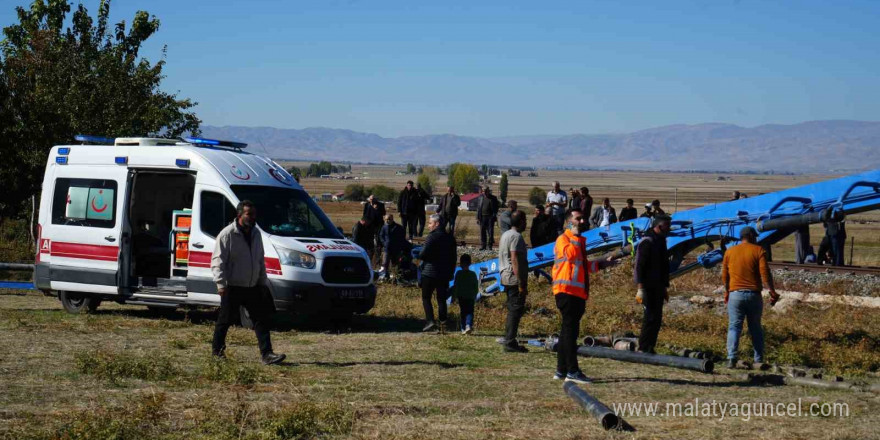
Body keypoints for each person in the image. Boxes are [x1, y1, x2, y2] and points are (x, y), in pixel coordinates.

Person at [211, 200, 285, 365]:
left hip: (252, 286)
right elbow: (218, 261)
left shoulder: (256, 233)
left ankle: (267, 354)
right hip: (232, 286)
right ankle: (217, 352)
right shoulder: (227, 234)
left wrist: (262, 281)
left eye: (254, 214)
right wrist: (221, 284)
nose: (252, 217)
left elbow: (259, 259)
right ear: (239, 215)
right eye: (249, 214)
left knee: (261, 320)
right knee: (225, 320)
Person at [552, 208, 619, 383]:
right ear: (569, 222)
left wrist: (603, 264)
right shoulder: (564, 239)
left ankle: (561, 370)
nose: (582, 222)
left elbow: (583, 265)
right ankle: (572, 371)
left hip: (576, 293)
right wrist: (574, 236)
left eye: (582, 219)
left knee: (567, 332)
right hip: (567, 292)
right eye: (578, 219)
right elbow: (570, 255)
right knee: (570, 333)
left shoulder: (578, 241)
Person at [722, 227, 779, 369]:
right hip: (754, 295)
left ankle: (731, 359)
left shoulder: (729, 251)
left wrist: (727, 291)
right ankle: (758, 360)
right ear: (752, 236)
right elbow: (765, 274)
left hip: (735, 294)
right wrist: (772, 291)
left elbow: (725, 276)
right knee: (755, 328)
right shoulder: (758, 250)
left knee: (734, 327)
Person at [633, 214, 672, 355]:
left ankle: (650, 347)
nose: (669, 229)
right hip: (648, 287)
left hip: (658, 287)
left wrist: (664, 288)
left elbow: (663, 267)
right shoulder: (647, 242)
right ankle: (643, 347)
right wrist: (640, 288)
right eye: (667, 226)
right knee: (649, 317)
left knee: (657, 318)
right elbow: (639, 267)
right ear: (659, 226)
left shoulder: (661, 242)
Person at [418, 214, 457, 331]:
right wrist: (451, 272)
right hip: (444, 273)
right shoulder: (450, 237)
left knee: (426, 298)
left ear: (437, 224)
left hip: (429, 272)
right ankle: (443, 323)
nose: (428, 226)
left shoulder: (431, 237)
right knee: (441, 299)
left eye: (430, 223)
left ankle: (430, 321)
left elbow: (422, 254)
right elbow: (453, 257)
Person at [499, 210, 529, 352]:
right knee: (515, 311)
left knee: (512, 309)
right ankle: (510, 342)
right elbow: (515, 259)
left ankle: (508, 338)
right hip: (513, 278)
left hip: (505, 276)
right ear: (521, 221)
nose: (526, 223)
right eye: (525, 221)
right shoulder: (516, 237)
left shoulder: (505, 234)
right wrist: (521, 283)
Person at [450, 254, 478, 334]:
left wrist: (453, 297)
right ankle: (468, 325)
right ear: (470, 263)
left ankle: (462, 328)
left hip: (461, 296)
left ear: (460, 263)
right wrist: (475, 295)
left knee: (463, 312)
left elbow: (455, 286)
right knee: (470, 311)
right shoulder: (473, 274)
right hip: (470, 296)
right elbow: (475, 286)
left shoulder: (458, 273)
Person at [379, 214, 406, 280]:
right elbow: (381, 236)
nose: (387, 221)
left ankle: (394, 276)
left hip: (395, 249)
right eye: (386, 219)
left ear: (392, 219)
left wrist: (399, 245)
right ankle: (385, 276)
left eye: (389, 219)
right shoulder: (384, 227)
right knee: (385, 263)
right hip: (386, 248)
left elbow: (402, 237)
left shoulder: (398, 227)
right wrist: (384, 243)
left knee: (395, 263)